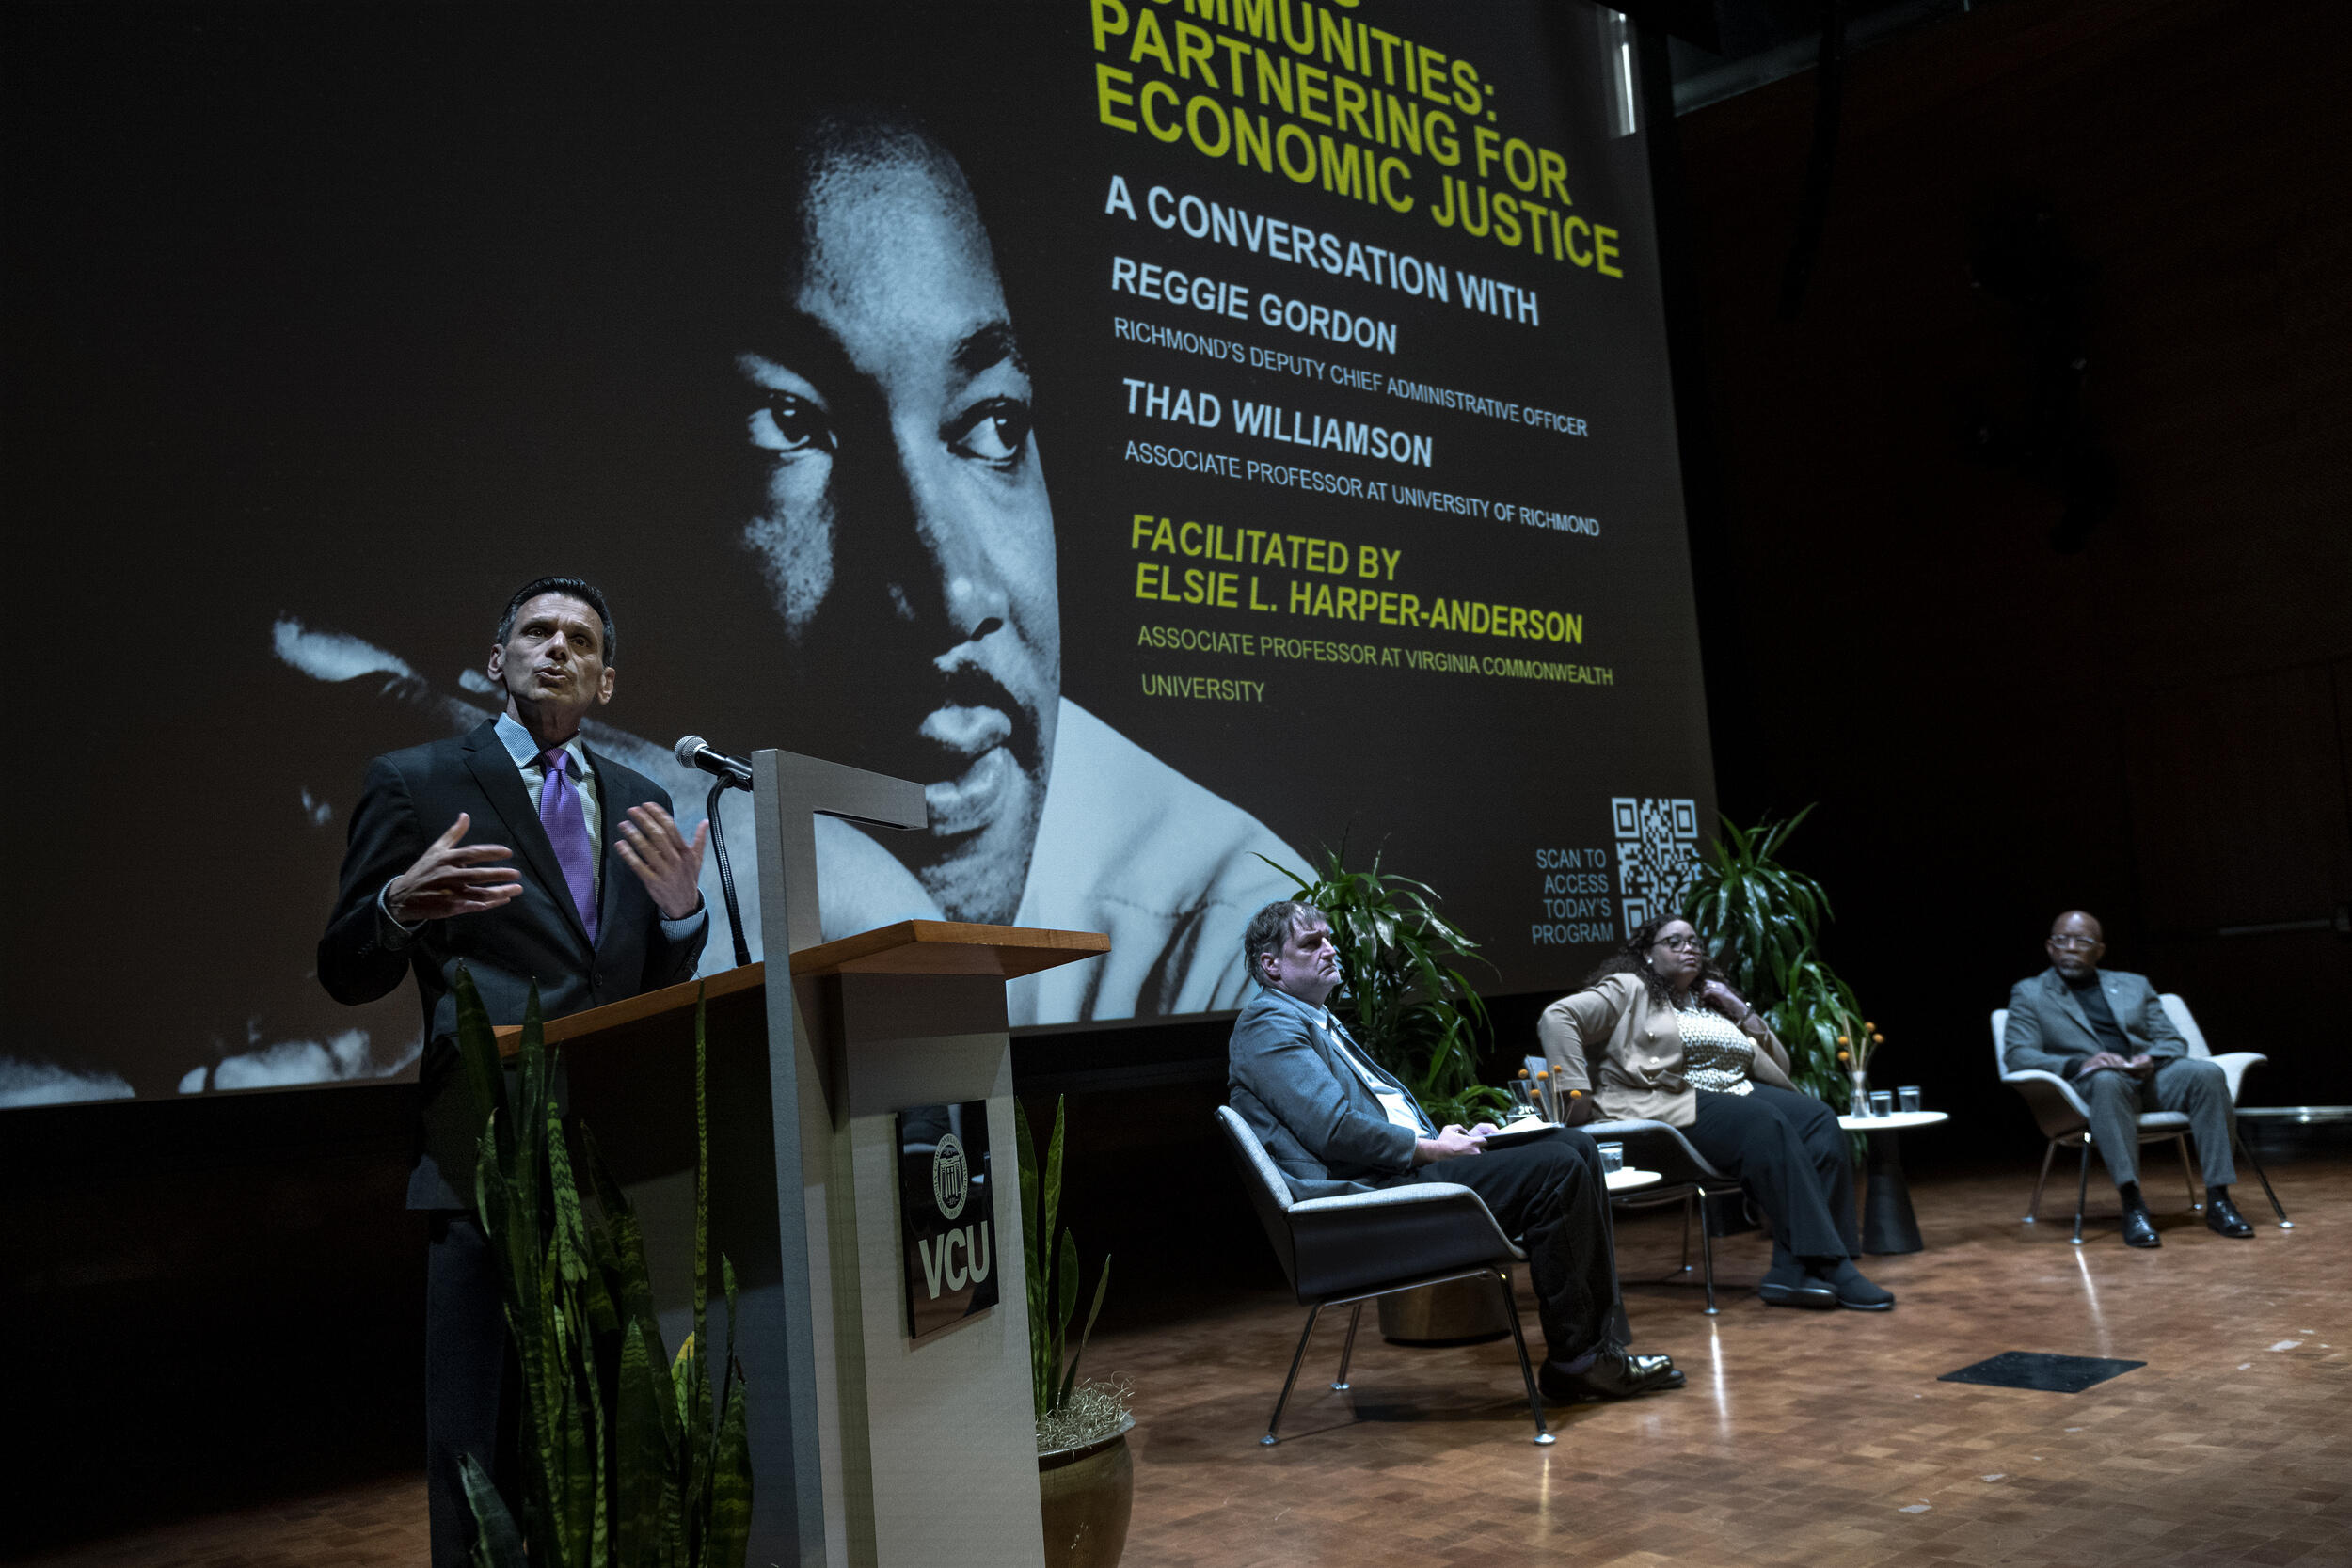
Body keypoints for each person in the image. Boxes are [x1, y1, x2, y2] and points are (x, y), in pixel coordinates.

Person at [269, 111, 1299, 1049]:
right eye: (788, 426)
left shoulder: (1227, 936)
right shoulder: (483, 820)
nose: (948, 593)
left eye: (992, 423)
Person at [317, 578, 710, 1568]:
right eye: (536, 632)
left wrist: (680, 921)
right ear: (497, 661)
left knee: (608, 1430)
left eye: (579, 638)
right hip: (481, 1153)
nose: (556, 647)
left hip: (612, 1158)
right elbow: (345, 969)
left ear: (607, 680)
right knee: (476, 1442)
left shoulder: (644, 801)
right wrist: (397, 907)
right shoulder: (414, 780)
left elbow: (636, 982)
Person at [1228, 900, 1684, 1403]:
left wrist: (1447, 1134)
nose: (1330, 949)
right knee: (1556, 1168)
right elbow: (1333, 1129)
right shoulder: (1267, 1025)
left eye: (1329, 939)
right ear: (1271, 965)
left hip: (1394, 1178)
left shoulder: (1312, 1019)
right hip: (1364, 1205)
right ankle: (1581, 1361)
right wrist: (1429, 1149)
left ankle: (1595, 1353)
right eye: (1311, 943)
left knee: (1573, 1143)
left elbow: (1369, 1116)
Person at [1536, 915, 1895, 1311]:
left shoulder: (1711, 1001)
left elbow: (1780, 1067)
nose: (1689, 948)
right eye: (1674, 942)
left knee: (1819, 1119)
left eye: (1693, 941)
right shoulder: (1631, 988)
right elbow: (1558, 1018)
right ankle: (1832, 1265)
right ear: (1647, 955)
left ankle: (1792, 1271)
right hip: (1670, 1099)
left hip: (1736, 1093)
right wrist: (1576, 1094)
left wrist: (1738, 1008)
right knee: (1763, 1122)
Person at [2002, 910, 2253, 1248]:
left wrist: (2150, 1059)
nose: (2071, 948)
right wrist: (2083, 1063)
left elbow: (2172, 1040)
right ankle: (2132, 1204)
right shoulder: (2030, 993)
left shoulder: (2134, 985)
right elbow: (2019, 1054)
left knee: (2206, 1073)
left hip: (2148, 1080)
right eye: (2062, 940)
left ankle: (2220, 1200)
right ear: (2050, 947)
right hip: (2089, 1090)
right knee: (2106, 1080)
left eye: (2082, 941)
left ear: (2100, 950)